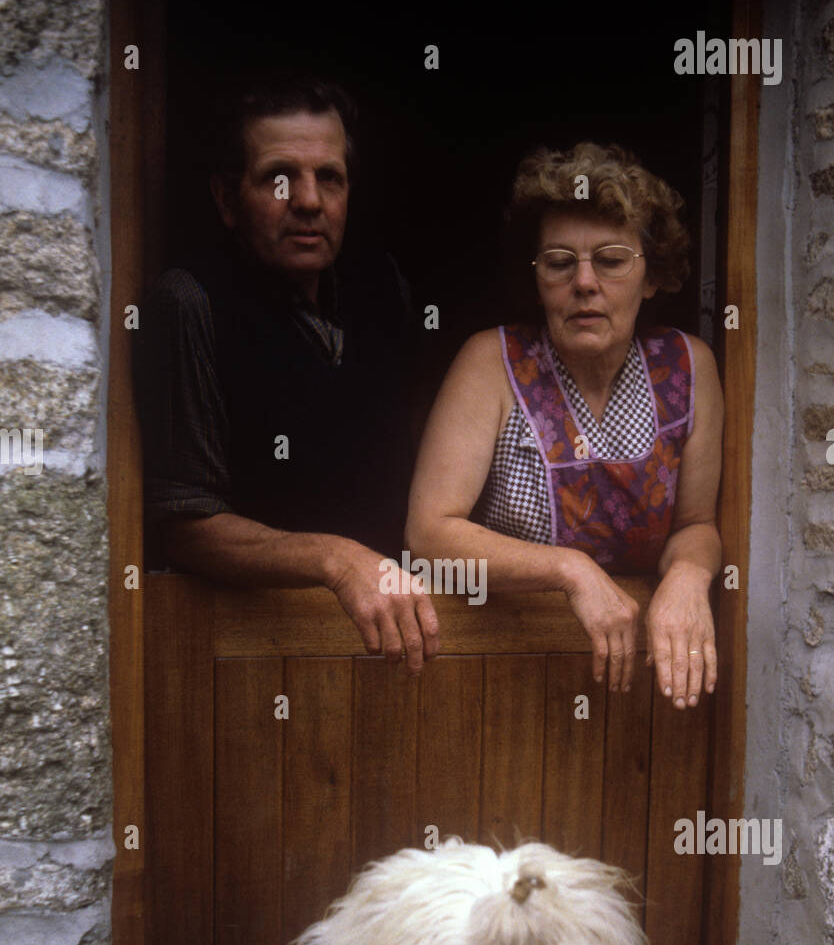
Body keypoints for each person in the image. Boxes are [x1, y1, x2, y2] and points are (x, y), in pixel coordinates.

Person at [133, 76, 438, 675]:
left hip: (403, 643)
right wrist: (337, 559)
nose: (307, 200)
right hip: (246, 654)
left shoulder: (385, 287)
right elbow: (184, 525)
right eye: (279, 176)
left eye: (330, 177)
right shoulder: (190, 302)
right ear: (226, 198)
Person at [406, 142, 723, 708]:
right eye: (559, 262)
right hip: (497, 672)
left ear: (652, 277)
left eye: (610, 259)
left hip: (643, 691)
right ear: (537, 280)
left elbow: (696, 523)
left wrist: (688, 578)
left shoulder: (688, 368)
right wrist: (570, 571)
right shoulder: (491, 363)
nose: (583, 282)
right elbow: (428, 536)